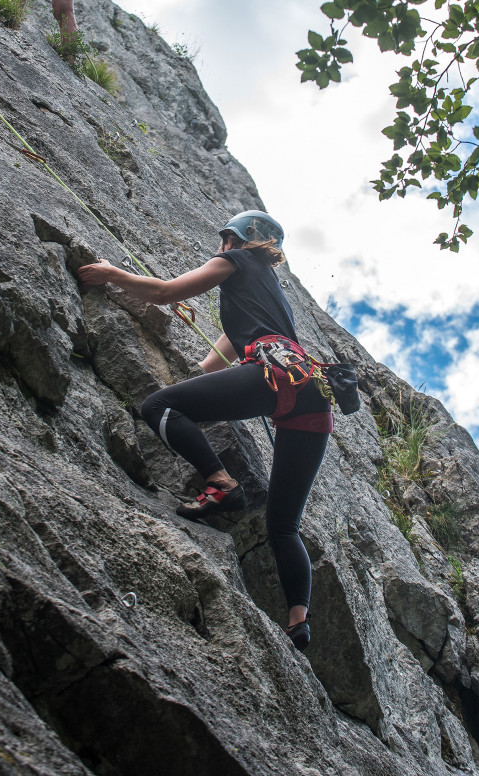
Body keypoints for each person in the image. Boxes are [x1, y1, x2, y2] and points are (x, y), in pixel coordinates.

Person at [78, 211, 337, 653]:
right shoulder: (268, 290)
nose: (221, 245)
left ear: (234, 239)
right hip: (312, 396)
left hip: (274, 375)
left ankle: (220, 484)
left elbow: (164, 293)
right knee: (284, 526)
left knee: (158, 405)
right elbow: (224, 354)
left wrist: (111, 274)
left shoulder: (237, 260)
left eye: (225, 239)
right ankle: (298, 622)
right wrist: (196, 374)